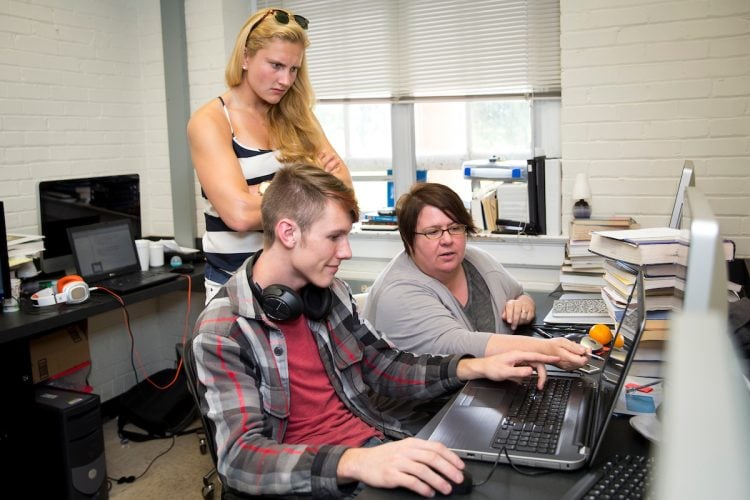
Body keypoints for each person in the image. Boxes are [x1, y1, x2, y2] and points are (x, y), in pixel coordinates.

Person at [189, 164, 560, 498]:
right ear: (288, 232)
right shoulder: (224, 330)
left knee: (505, 479)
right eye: (334, 237)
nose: (346, 251)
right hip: (320, 480)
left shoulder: (328, 293)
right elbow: (240, 459)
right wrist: (356, 463)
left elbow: (383, 365)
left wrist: (472, 367)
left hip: (377, 441)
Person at [187, 8, 352, 303]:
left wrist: (258, 191)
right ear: (245, 58)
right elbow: (238, 216)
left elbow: (345, 198)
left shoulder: (300, 117)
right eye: (275, 65)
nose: (285, 80)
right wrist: (311, 187)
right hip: (235, 287)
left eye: (293, 69)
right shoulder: (210, 121)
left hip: (301, 285)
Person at [363, 182, 589, 370]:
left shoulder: (477, 260)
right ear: (409, 241)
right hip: (419, 414)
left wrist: (523, 305)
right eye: (433, 232)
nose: (447, 240)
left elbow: (520, 294)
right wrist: (547, 350)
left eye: (455, 228)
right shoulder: (399, 292)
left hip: (480, 390)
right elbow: (458, 345)